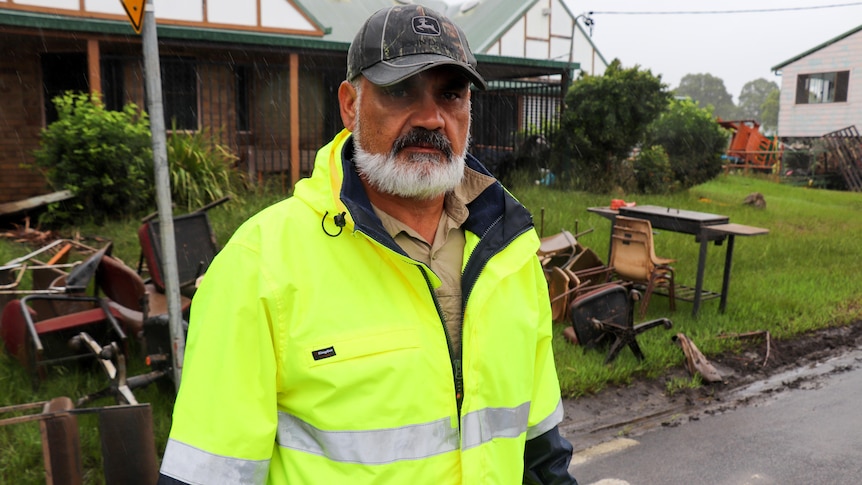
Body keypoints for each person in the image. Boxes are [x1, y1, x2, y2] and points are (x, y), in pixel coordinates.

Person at [158, 4, 577, 484]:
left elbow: (541, 453)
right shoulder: (259, 266)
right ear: (350, 104)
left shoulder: (511, 252)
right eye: (401, 90)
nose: (431, 118)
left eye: (451, 94)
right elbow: (207, 473)